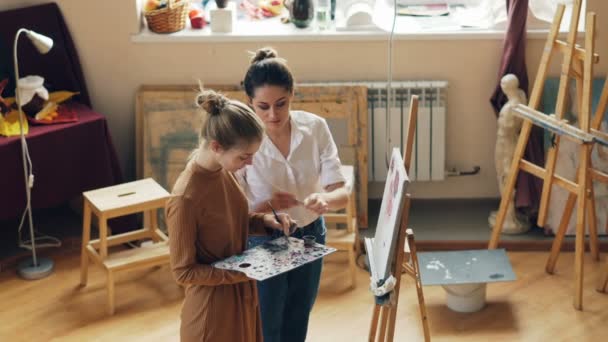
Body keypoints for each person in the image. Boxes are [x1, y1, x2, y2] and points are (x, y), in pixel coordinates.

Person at [237, 47, 349, 342]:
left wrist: (324, 200)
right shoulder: (242, 139)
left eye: (281, 104)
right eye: (262, 106)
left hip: (310, 233)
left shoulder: (315, 128)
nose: (273, 114)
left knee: (299, 314)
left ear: (293, 95)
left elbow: (342, 192)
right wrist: (267, 205)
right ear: (249, 103)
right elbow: (234, 211)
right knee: (268, 319)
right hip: (263, 237)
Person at [166, 88, 295, 342]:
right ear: (216, 146)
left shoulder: (224, 172)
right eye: (244, 157)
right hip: (212, 316)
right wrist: (243, 271)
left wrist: (265, 221)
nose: (249, 164)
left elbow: (229, 221)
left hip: (242, 298)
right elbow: (184, 273)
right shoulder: (185, 199)